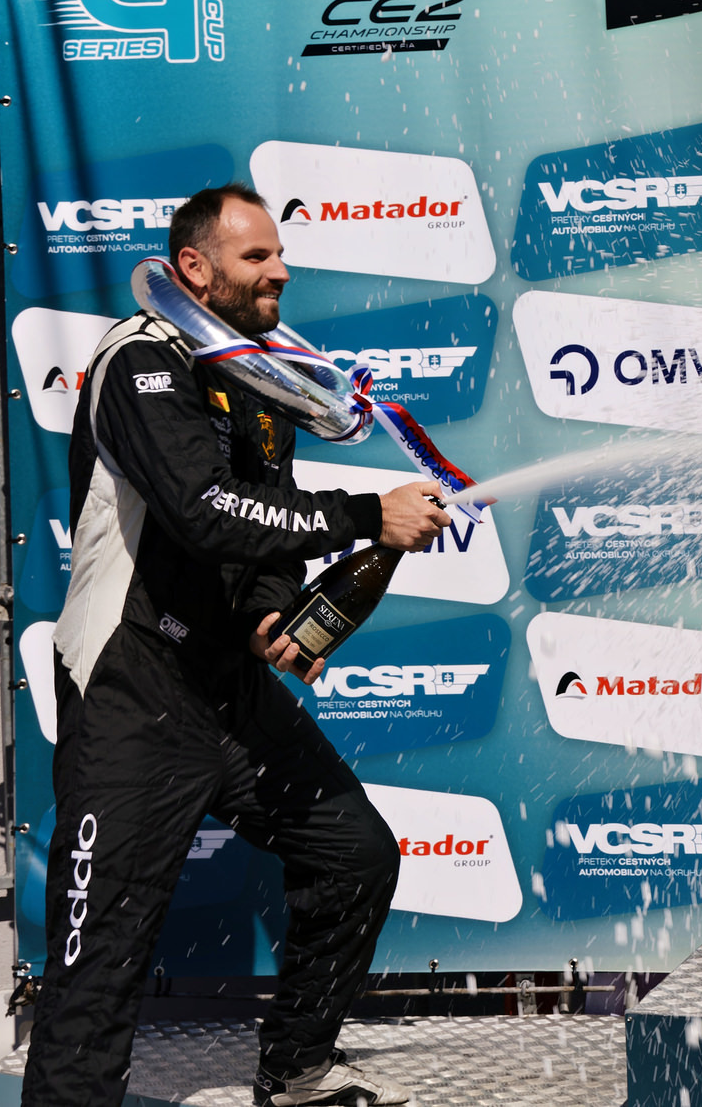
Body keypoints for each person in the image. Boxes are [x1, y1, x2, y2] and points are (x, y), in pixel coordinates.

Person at [26, 184, 452, 1107]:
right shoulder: (141, 360)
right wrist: (366, 515)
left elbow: (265, 520)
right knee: (99, 959)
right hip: (133, 684)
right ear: (193, 268)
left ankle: (296, 1071)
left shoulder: (259, 379)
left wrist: (270, 613)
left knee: (355, 856)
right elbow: (205, 509)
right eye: (257, 257)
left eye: (280, 254)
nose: (281, 271)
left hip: (226, 687)